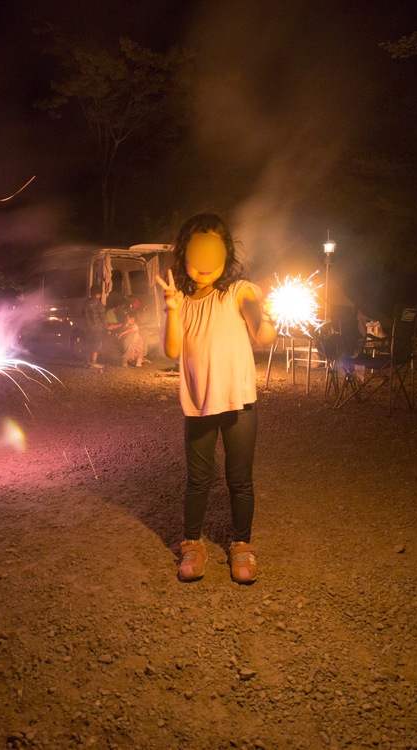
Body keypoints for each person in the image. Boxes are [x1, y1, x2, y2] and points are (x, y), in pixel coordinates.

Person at [155, 213, 276, 584]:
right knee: (198, 479)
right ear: (184, 255)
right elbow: (172, 350)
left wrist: (267, 322)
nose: (204, 263)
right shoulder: (184, 301)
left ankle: (241, 544)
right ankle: (192, 542)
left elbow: (262, 334)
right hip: (198, 403)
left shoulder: (239, 291)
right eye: (196, 252)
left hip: (239, 401)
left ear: (225, 253)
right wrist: (173, 309)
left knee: (239, 479)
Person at [82, 284, 106, 369]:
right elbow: (103, 318)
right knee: (95, 344)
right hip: (97, 328)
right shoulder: (99, 305)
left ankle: (86, 362)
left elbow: (82, 314)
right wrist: (106, 327)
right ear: (99, 294)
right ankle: (93, 362)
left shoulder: (86, 303)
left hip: (88, 327)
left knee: (88, 344)